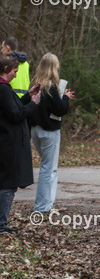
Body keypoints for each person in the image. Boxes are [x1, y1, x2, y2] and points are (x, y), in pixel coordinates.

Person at [0, 55, 41, 234]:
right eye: (15, 71)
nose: (16, 75)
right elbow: (16, 115)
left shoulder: (5, 90)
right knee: (8, 185)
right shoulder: (3, 90)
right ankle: (1, 225)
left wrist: (27, 96)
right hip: (8, 144)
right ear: (7, 69)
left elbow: (12, 108)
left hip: (7, 142)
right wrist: (33, 104)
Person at [28, 53, 72, 214]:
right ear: (54, 67)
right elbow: (60, 109)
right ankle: (43, 206)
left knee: (46, 166)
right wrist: (66, 98)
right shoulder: (51, 87)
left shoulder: (35, 84)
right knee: (49, 169)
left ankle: (45, 204)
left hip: (35, 130)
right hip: (49, 131)